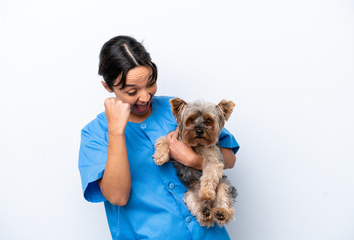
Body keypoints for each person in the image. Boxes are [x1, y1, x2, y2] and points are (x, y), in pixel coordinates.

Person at [78, 35, 240, 240]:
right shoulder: (95, 134)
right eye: (132, 91)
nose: (145, 96)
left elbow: (230, 159)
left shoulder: (178, 110)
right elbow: (118, 197)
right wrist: (116, 132)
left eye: (151, 83)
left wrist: (193, 160)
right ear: (108, 87)